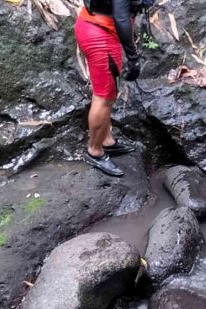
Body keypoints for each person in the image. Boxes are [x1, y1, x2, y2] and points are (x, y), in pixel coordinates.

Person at [75, 0, 145, 177]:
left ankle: (106, 140)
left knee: (107, 92)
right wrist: (133, 57)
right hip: (101, 34)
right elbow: (121, 17)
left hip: (93, 25)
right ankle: (94, 151)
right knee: (104, 97)